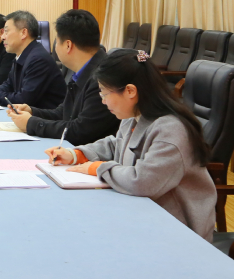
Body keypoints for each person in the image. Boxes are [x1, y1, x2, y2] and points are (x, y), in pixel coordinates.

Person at [46, 49, 216, 241]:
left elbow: (143, 181)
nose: (102, 100)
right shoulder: (134, 115)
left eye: (105, 93)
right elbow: (116, 145)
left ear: (130, 91)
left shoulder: (171, 130)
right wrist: (77, 154)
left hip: (178, 231)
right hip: (143, 215)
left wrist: (97, 168)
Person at [6, 10, 120, 145]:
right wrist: (32, 112)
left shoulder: (103, 78)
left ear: (68, 45)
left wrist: (32, 123)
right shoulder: (83, 70)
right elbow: (64, 113)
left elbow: (80, 131)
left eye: (57, 41)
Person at [0, 10, 66, 109]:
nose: (2, 37)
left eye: (6, 31)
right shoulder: (21, 55)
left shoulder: (38, 59)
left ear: (23, 33)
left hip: (43, 117)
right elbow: (9, 84)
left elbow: (24, 99)